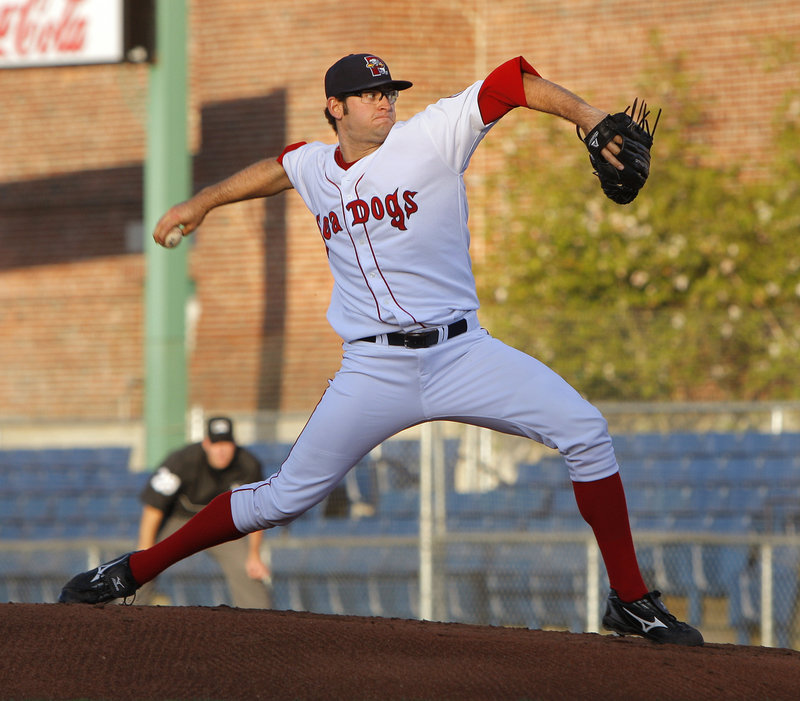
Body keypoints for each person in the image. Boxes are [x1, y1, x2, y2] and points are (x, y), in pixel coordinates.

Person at [60, 52, 702, 645]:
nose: (384, 102)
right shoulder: (316, 166)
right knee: (284, 499)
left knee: (586, 430)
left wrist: (589, 120)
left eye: (388, 91)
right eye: (368, 95)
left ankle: (631, 598)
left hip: (463, 354)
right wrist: (200, 203)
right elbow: (277, 168)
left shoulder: (432, 135)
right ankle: (132, 572)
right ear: (334, 108)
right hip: (373, 368)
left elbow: (511, 82)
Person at [135, 416, 271, 608]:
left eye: (226, 443)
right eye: (216, 444)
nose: (221, 450)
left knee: (246, 566)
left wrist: (254, 554)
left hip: (222, 524)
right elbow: (153, 507)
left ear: (234, 444)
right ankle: (127, 613)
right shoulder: (182, 460)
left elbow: (255, 512)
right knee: (144, 562)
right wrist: (145, 549)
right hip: (180, 519)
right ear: (206, 443)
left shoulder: (248, 465)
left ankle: (261, 621)